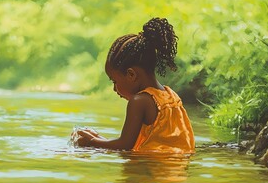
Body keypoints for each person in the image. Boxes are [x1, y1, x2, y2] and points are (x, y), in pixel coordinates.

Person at [74, 17, 194, 153]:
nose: (114, 88)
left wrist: (92, 143)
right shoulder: (171, 95)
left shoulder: (139, 101)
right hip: (176, 171)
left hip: (153, 169)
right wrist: (99, 139)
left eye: (115, 81)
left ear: (131, 75)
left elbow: (125, 145)